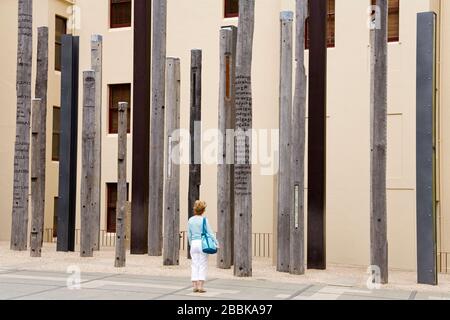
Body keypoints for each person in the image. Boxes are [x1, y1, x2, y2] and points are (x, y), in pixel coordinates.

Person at [188, 200, 218, 293]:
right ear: (203, 210)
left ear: (195, 209)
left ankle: (194, 286)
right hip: (202, 243)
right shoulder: (204, 220)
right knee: (202, 264)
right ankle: (200, 286)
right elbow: (210, 233)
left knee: (194, 264)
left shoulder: (190, 220)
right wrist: (216, 242)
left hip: (193, 243)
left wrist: (190, 244)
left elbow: (189, 234)